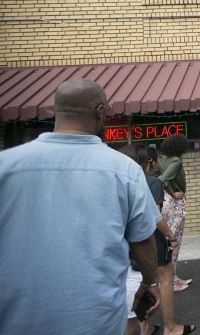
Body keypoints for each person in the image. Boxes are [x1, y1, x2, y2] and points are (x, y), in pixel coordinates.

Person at [0, 78, 161, 334]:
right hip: (96, 318)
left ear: (55, 111)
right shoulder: (125, 170)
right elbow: (143, 239)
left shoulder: (6, 165)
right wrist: (151, 282)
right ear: (100, 110)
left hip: (17, 318)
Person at [121, 144, 196, 335]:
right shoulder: (152, 182)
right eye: (154, 160)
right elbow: (153, 214)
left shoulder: (121, 181)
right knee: (165, 278)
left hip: (126, 239)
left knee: (134, 280)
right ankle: (171, 327)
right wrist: (170, 235)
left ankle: (144, 327)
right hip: (151, 237)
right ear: (148, 161)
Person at [158, 134, 192, 292]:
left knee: (168, 240)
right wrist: (173, 194)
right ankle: (170, 282)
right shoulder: (176, 160)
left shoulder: (163, 158)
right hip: (175, 203)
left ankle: (173, 277)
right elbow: (163, 180)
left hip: (165, 202)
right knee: (173, 241)